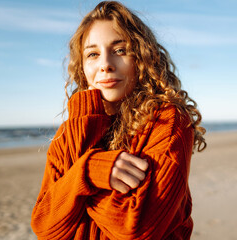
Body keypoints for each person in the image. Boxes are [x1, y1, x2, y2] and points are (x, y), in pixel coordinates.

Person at [31, 1, 206, 239]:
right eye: (93, 54)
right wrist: (88, 171)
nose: (105, 65)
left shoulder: (167, 120)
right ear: (82, 67)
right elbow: (44, 227)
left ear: (144, 58)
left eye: (120, 50)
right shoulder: (68, 133)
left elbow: (135, 227)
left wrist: (77, 187)